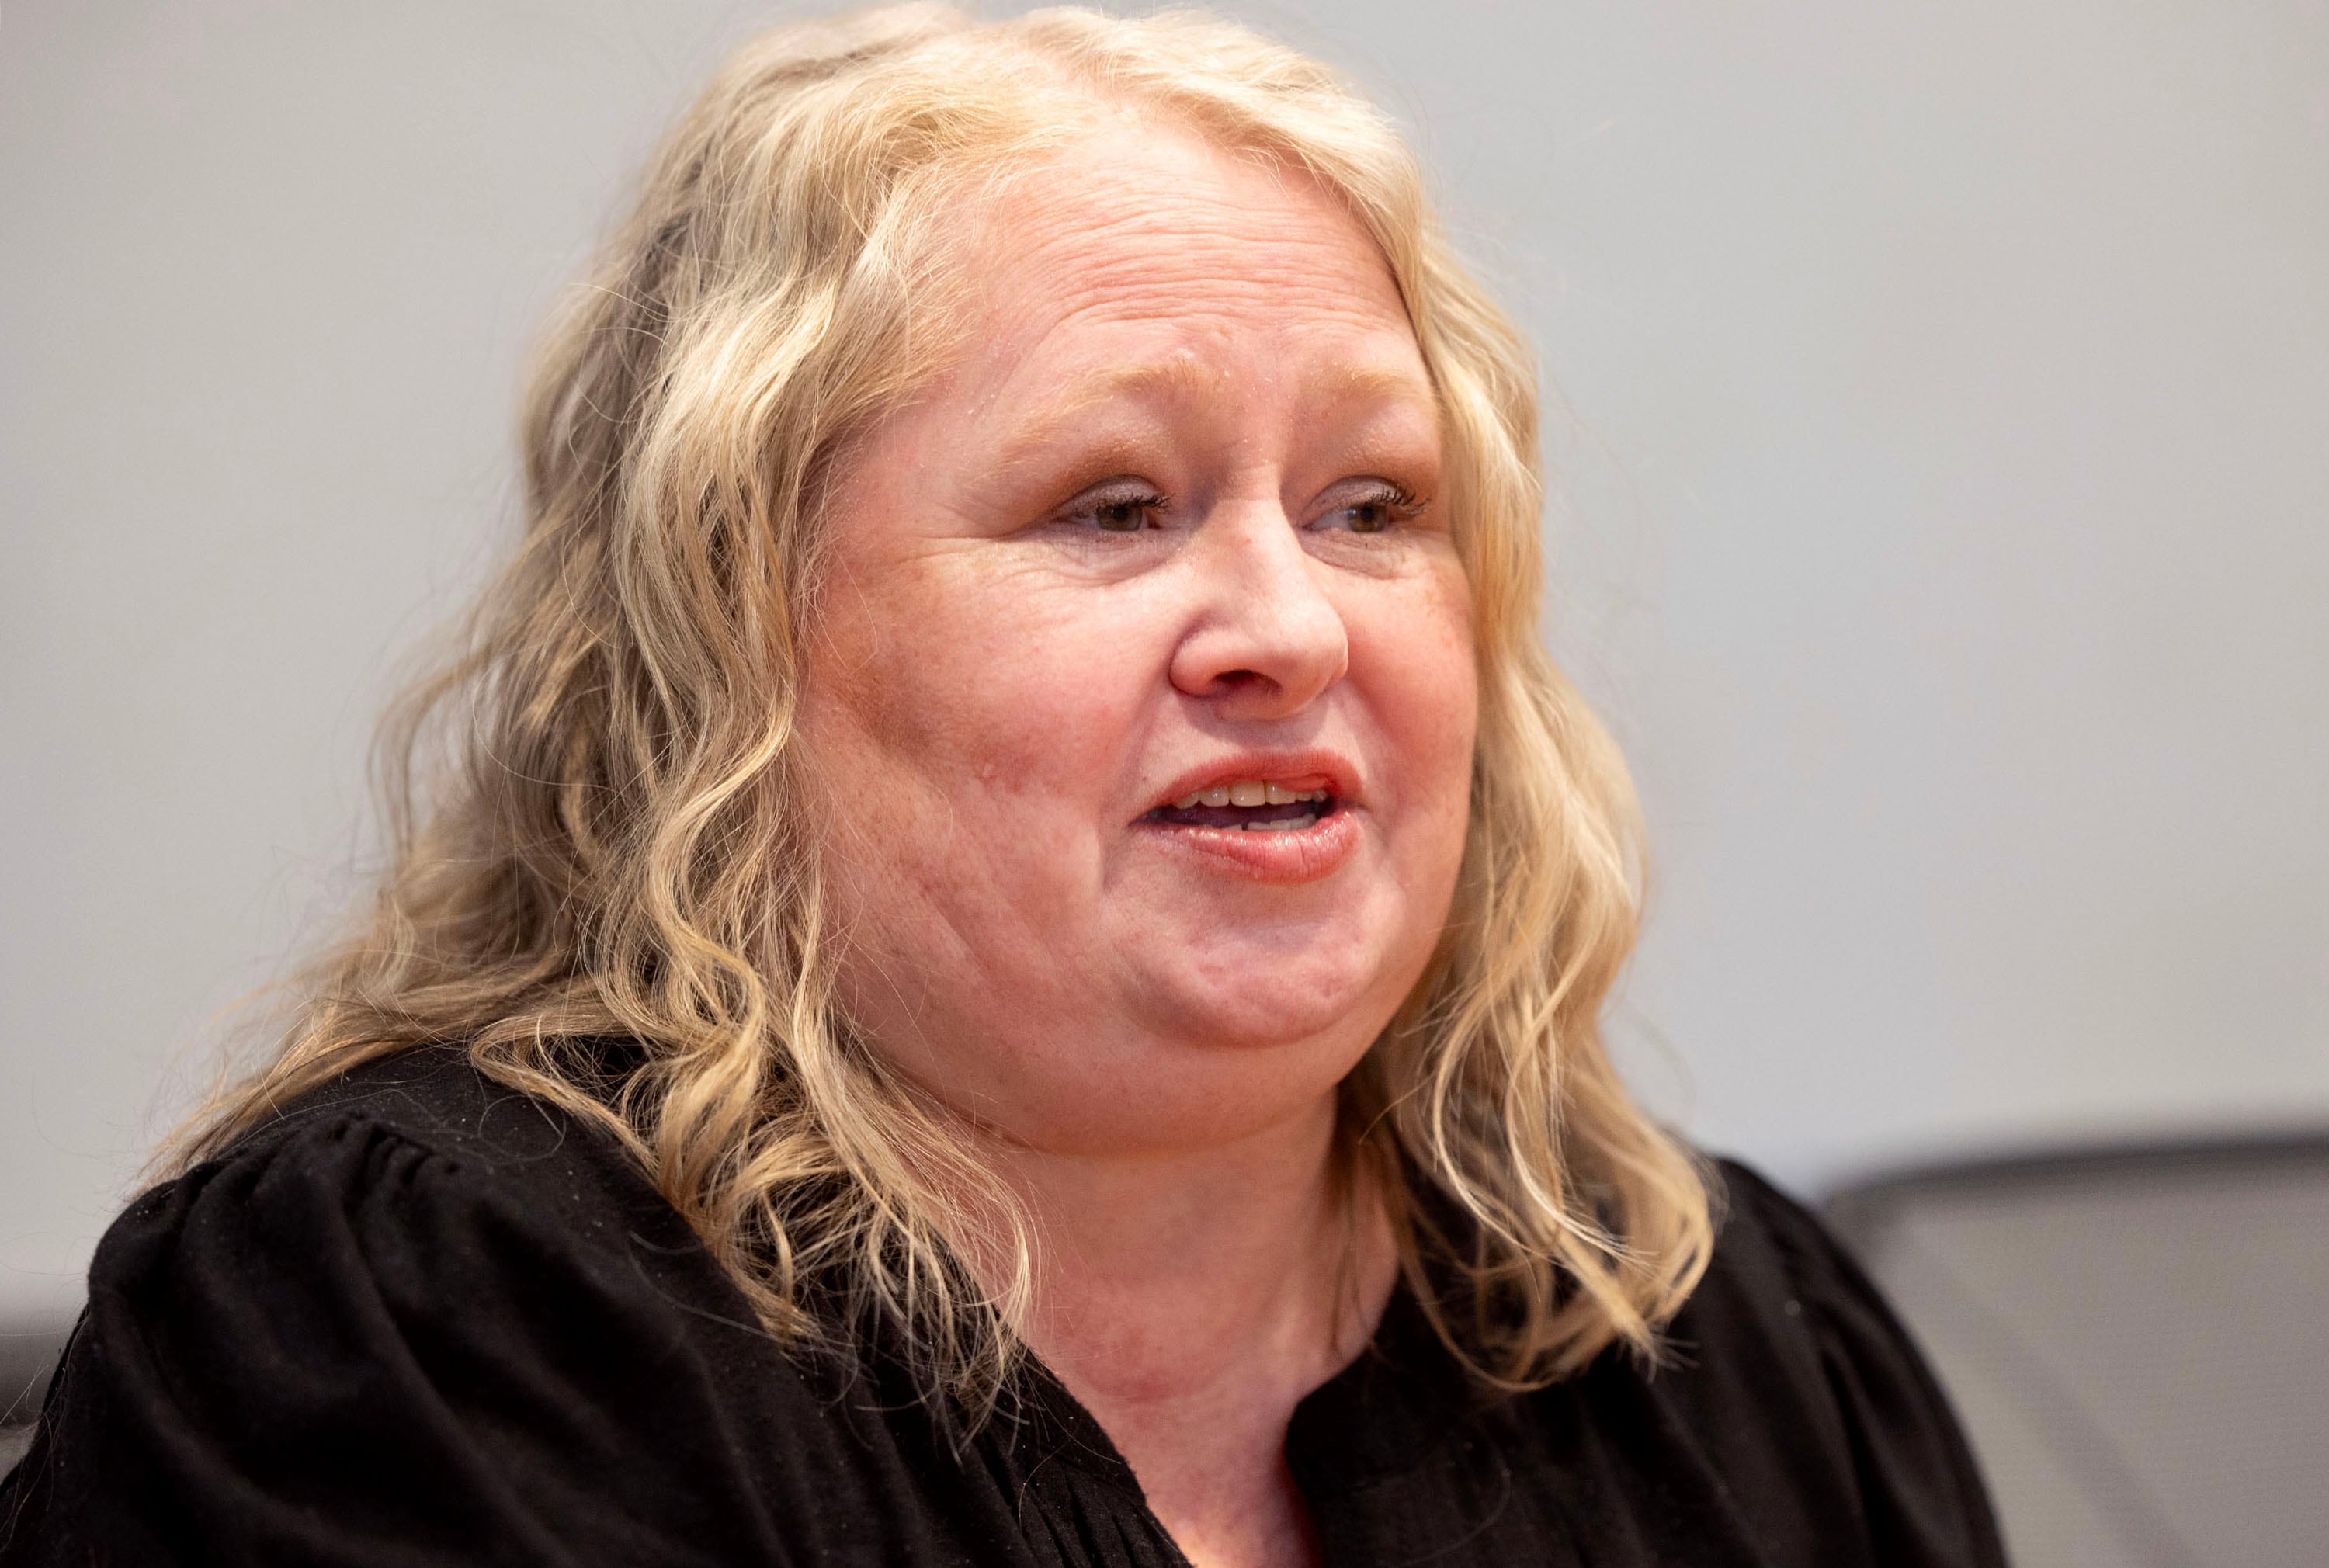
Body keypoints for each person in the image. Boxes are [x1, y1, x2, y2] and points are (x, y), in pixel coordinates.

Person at [0, 7, 2006, 1565]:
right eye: (1113, 507)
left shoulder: (1704, 1335)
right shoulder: (429, 1327)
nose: (1289, 628)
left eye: (1373, 505)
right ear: (736, 640)